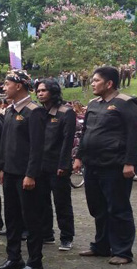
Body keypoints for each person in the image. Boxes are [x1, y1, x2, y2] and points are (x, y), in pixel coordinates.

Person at [74, 66, 137, 265]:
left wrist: (130, 162)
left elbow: (133, 135)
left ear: (109, 83)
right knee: (97, 208)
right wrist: (79, 157)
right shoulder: (93, 104)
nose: (92, 83)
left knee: (118, 209)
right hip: (92, 165)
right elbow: (85, 133)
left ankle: (123, 252)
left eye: (96, 80)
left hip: (115, 166)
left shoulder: (126, 104)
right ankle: (101, 246)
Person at [0, 70, 47, 269]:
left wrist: (31, 174)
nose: (3, 87)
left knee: (31, 218)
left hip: (26, 176)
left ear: (18, 86)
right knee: (12, 216)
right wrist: (1, 167)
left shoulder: (35, 111)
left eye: (7, 84)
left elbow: (37, 147)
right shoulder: (9, 110)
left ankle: (35, 261)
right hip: (9, 173)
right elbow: (4, 142)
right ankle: (13, 257)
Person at [35, 79, 76, 251]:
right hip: (40, 165)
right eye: (38, 91)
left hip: (58, 165)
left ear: (53, 91)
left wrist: (64, 165)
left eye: (44, 90)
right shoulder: (38, 112)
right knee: (42, 201)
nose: (40, 93)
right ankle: (46, 234)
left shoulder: (65, 112)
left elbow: (67, 142)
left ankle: (66, 236)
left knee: (62, 202)